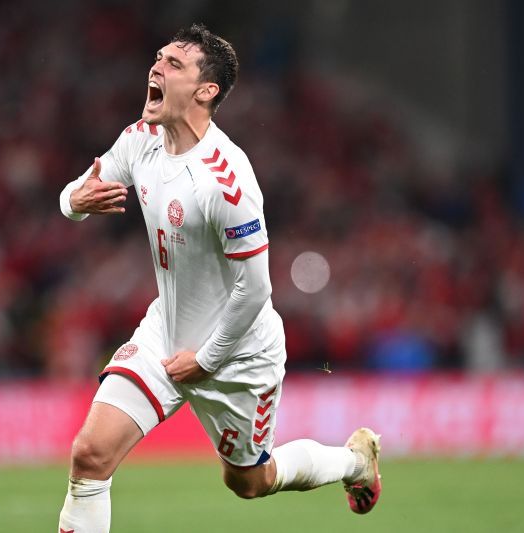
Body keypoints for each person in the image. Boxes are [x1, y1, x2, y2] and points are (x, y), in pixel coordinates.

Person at [57, 23, 381, 532]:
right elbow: (82, 186)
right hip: (165, 335)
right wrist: (72, 202)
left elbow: (256, 290)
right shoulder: (140, 140)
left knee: (250, 482)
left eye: (174, 64)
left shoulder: (227, 182)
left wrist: (206, 359)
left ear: (206, 91)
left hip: (238, 354)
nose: (156, 67)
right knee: (90, 456)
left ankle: (355, 464)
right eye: (158, 57)